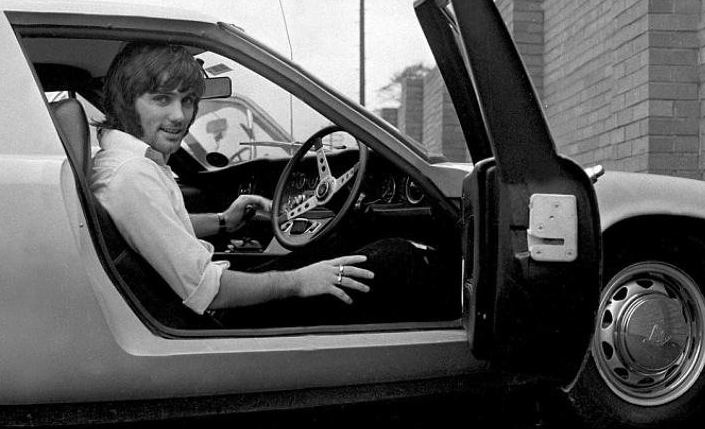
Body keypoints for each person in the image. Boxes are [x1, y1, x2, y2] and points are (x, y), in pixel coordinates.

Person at [90, 42, 448, 328]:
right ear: (127, 102)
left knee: (340, 240)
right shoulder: (132, 175)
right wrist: (300, 281)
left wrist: (224, 221)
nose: (180, 116)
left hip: (201, 307)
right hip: (219, 319)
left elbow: (161, 227)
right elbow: (209, 292)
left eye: (188, 101)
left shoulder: (125, 164)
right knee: (399, 258)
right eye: (161, 99)